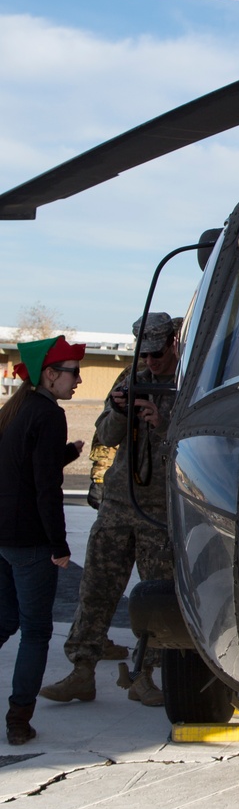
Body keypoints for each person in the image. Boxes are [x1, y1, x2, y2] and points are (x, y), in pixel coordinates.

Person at [40, 312, 182, 710]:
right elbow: (105, 433)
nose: (150, 362)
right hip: (121, 500)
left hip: (161, 507)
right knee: (98, 587)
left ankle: (147, 674)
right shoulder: (131, 377)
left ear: (172, 343)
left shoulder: (187, 380)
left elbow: (200, 441)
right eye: (144, 353)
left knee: (157, 595)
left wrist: (163, 423)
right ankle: (82, 669)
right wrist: (119, 412)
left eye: (156, 353)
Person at [0, 335, 86, 745]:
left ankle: (19, 716)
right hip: (30, 541)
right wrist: (60, 545)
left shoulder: (16, 410)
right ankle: (19, 720)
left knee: (4, 620)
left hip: (2, 537)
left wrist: (65, 453)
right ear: (50, 375)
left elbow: (23, 467)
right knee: (35, 632)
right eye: (72, 372)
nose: (79, 381)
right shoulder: (49, 415)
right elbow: (45, 486)